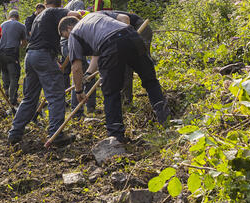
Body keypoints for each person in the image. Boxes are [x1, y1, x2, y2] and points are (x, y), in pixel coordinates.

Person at [59, 12, 168, 143]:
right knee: (150, 79)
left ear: (69, 28)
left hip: (111, 44)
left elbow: (76, 68)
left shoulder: (74, 34)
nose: (67, 39)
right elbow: (123, 19)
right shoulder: (95, 16)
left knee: (111, 92)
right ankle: (165, 118)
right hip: (132, 36)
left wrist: (78, 91)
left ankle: (116, 135)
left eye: (65, 35)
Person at [7, 0, 84, 146]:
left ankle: (15, 132)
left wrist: (53, 60)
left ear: (45, 2)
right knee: (56, 95)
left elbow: (42, 39)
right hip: (43, 55)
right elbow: (75, 15)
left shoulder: (38, 17)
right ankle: (56, 135)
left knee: (30, 98)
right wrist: (88, 15)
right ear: (59, 4)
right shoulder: (54, 12)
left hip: (31, 57)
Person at [0, 10, 27, 108]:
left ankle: (6, 91)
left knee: (4, 71)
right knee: (14, 75)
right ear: (18, 17)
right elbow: (24, 42)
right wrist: (20, 46)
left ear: (9, 17)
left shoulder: (2, 24)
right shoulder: (21, 26)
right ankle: (12, 99)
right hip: (11, 52)